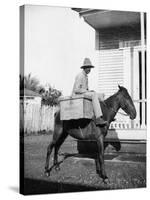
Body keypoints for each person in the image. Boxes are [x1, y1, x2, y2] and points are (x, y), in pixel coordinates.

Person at [72, 58, 108, 127]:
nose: (89, 69)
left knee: (101, 95)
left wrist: (89, 91)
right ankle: (98, 118)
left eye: (90, 68)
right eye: (88, 68)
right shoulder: (80, 76)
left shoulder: (85, 76)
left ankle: (104, 115)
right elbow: (76, 90)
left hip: (83, 94)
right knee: (94, 95)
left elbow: (85, 89)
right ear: (84, 68)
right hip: (77, 96)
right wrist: (87, 91)